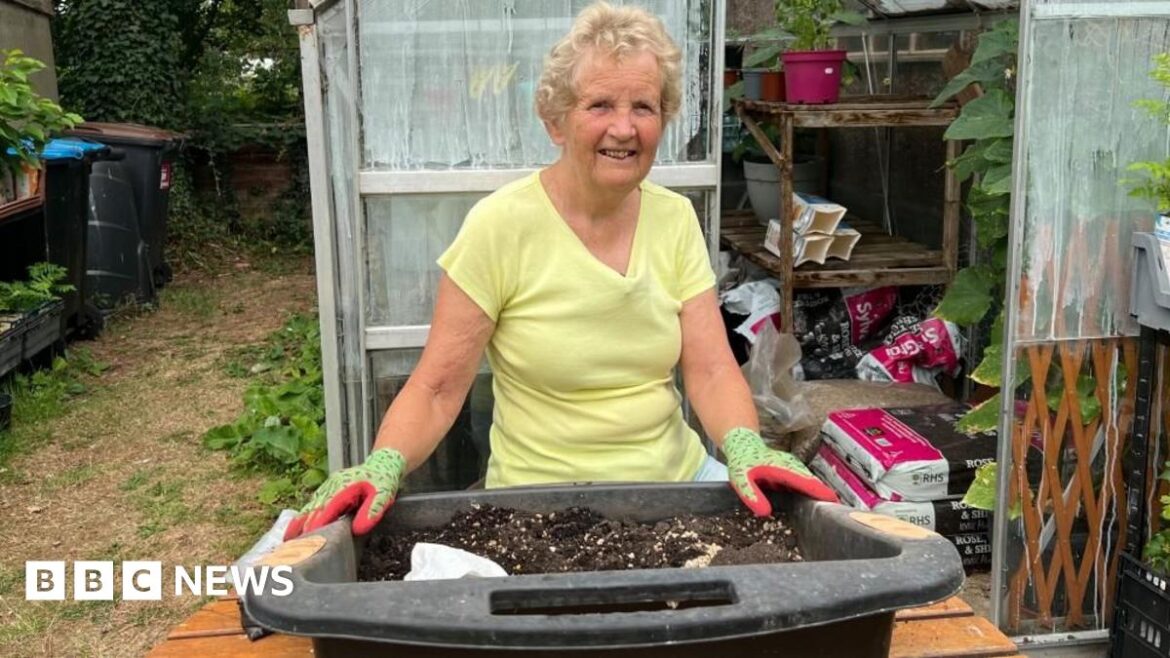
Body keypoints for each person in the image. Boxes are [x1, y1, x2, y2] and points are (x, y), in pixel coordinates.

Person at [283, 1, 836, 542]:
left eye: (643, 107)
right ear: (555, 121)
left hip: (677, 486)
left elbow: (713, 372)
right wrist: (383, 465)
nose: (624, 128)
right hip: (537, 508)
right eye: (599, 105)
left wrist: (744, 446)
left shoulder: (674, 219)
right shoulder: (499, 227)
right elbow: (435, 389)